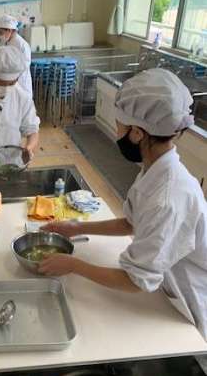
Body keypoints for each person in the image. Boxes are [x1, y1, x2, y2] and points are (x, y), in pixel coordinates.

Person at [39, 68, 207, 340]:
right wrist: (76, 228)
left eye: (119, 125)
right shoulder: (155, 169)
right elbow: (131, 223)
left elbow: (135, 281)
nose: (117, 133)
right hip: (164, 285)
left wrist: (73, 265)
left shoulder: (167, 197)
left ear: (137, 133)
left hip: (188, 305)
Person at [0, 14, 33, 98]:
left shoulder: (21, 45)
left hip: (21, 85)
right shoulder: (5, 41)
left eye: (1, 32)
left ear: (9, 30)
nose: (0, 35)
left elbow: (23, 66)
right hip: (8, 85)